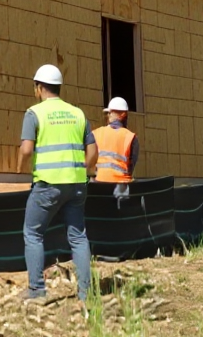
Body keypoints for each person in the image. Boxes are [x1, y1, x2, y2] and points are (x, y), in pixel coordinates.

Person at [17, 64, 97, 303]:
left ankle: (36, 289)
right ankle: (85, 293)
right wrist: (84, 170)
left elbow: (27, 149)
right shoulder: (77, 113)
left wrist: (19, 167)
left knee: (33, 233)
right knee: (78, 237)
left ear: (39, 88)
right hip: (76, 184)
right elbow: (93, 151)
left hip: (47, 184)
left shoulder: (34, 113)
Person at [92, 96, 138, 185]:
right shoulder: (131, 137)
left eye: (110, 113)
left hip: (99, 184)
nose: (108, 115)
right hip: (122, 187)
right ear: (125, 114)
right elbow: (131, 167)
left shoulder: (96, 134)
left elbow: (90, 161)